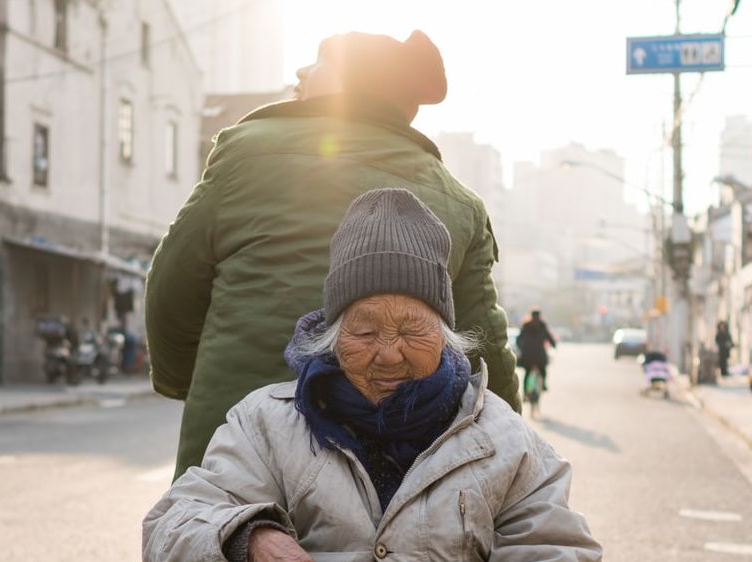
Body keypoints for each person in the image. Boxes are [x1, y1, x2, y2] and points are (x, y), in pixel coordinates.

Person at [143, 189, 610, 562]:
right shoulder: (267, 420)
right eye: (364, 332)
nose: (388, 354)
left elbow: (549, 558)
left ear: (446, 333)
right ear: (332, 333)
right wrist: (249, 539)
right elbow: (176, 525)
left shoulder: (503, 439)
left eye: (412, 330)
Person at [144, 29, 520, 484]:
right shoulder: (459, 202)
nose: (302, 71)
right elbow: (486, 358)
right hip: (397, 477)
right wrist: (510, 458)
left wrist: (188, 385)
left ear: (352, 88)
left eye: (320, 61)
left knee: (221, 545)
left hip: (237, 462)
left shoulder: (246, 153)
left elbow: (171, 295)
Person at [516, 309, 557, 393]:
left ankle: (525, 392)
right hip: (539, 355)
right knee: (543, 370)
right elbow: (549, 337)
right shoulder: (543, 326)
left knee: (527, 373)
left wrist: (520, 347)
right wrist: (553, 345)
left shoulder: (526, 326)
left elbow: (519, 339)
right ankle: (544, 385)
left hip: (527, 355)